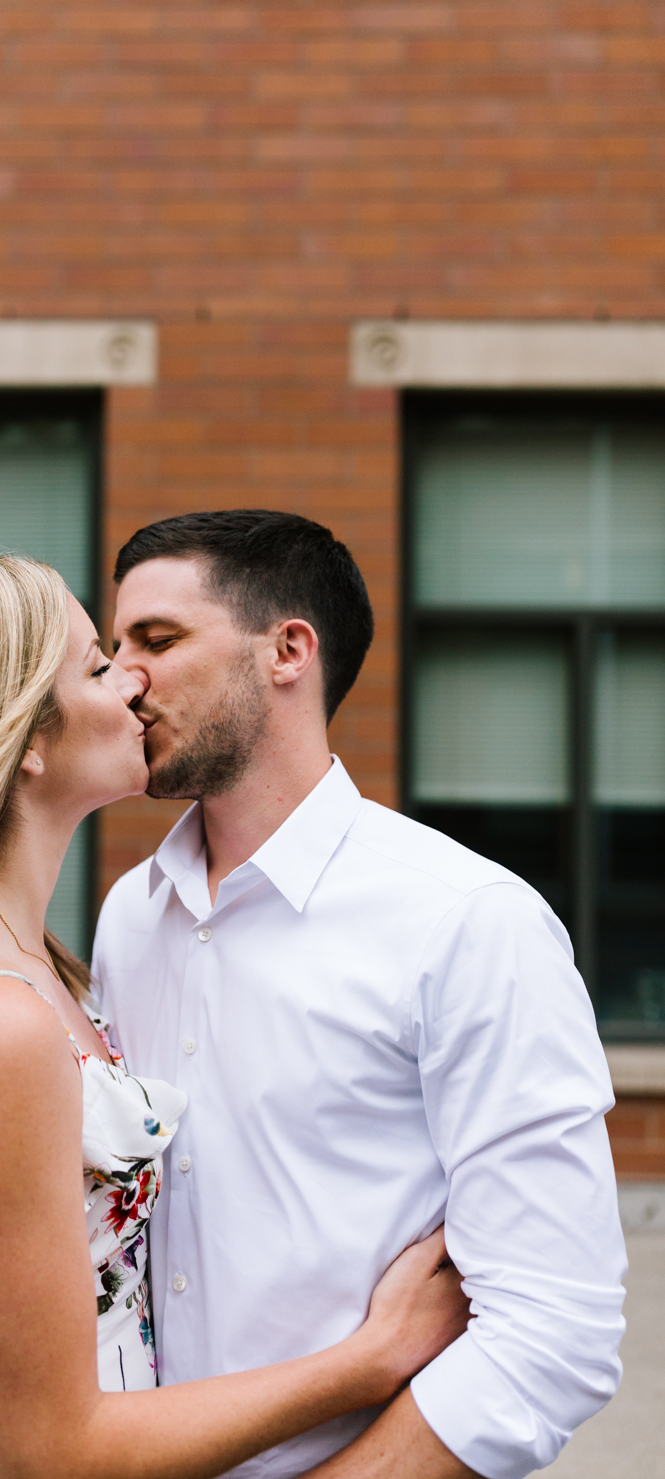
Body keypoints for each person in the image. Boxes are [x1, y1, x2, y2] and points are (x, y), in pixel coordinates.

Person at [0, 554, 469, 1479]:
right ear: (23, 737)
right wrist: (370, 1359)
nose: (133, 682)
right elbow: (52, 1453)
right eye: (100, 666)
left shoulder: (44, 967)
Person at [93, 510, 627, 1479]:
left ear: (287, 650)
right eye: (114, 647)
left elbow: (554, 1329)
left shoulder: (466, 921)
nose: (123, 678)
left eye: (157, 642)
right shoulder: (131, 917)